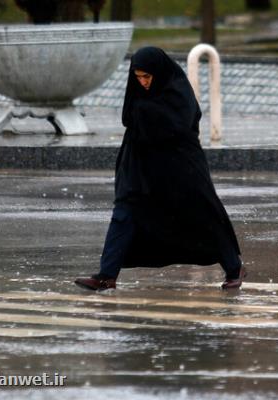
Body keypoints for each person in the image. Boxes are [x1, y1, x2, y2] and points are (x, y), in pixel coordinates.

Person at [75, 46, 245, 291]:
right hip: (141, 167)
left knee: (203, 214)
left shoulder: (177, 91)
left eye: (147, 77)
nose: (142, 83)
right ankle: (107, 275)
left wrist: (145, 113)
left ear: (158, 73)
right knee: (125, 213)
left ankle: (233, 267)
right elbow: (130, 119)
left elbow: (176, 125)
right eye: (138, 77)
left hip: (179, 166)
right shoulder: (139, 95)